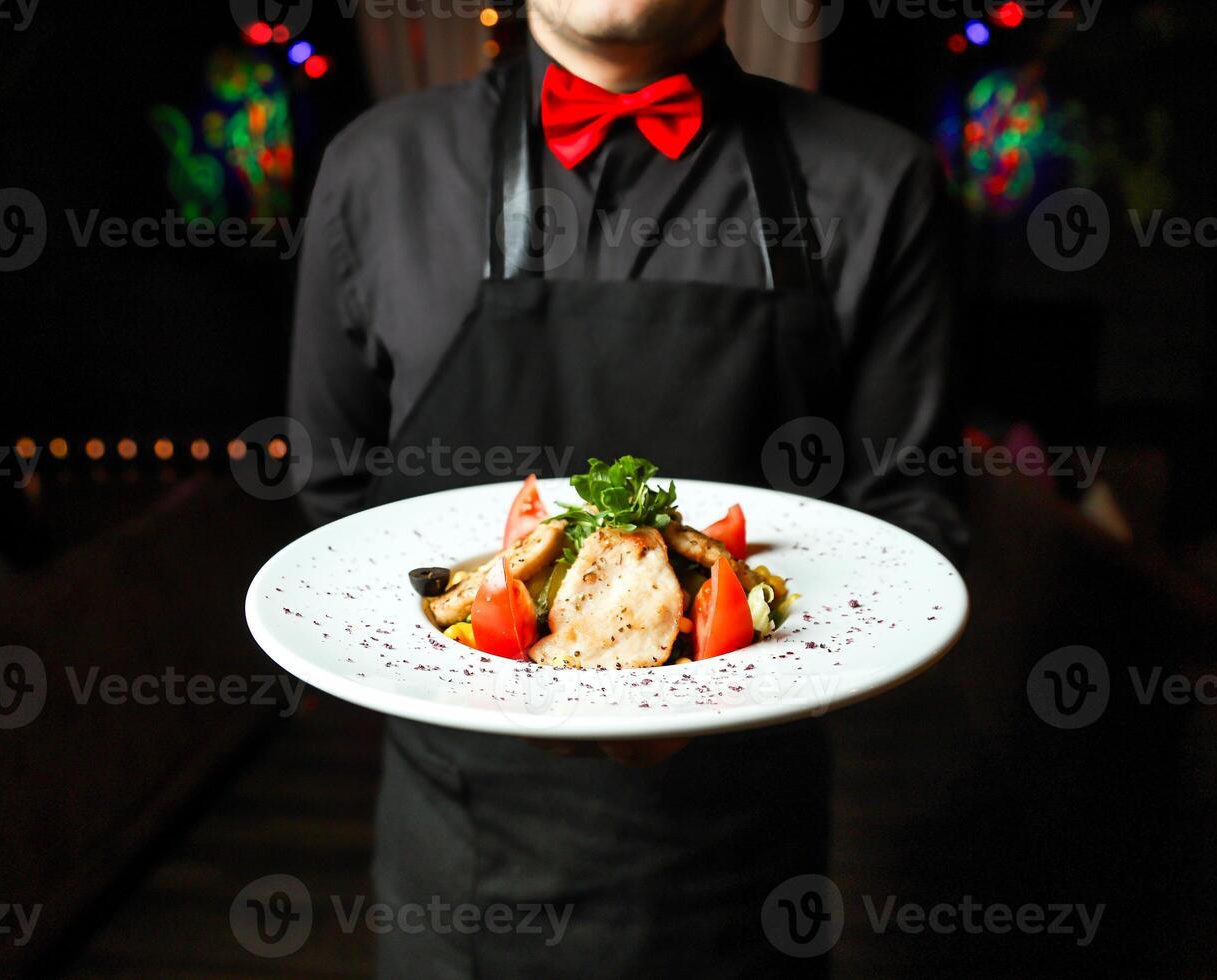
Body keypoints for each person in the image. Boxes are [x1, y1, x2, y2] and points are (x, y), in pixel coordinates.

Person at [289, 0, 964, 973]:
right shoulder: (375, 168)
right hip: (464, 867)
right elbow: (331, 494)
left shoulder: (882, 180)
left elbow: (916, 524)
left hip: (743, 867)